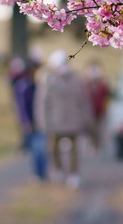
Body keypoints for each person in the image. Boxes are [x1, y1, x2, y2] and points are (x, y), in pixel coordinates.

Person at [35, 50, 93, 188]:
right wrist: (42, 121)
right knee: (53, 148)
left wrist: (86, 119)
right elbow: (42, 103)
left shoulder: (76, 80)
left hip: (74, 120)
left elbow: (84, 101)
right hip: (55, 121)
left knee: (75, 150)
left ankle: (74, 174)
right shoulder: (49, 80)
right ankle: (58, 170)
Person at [8, 57, 47, 181]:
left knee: (41, 148)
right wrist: (26, 121)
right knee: (37, 148)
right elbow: (22, 106)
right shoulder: (24, 86)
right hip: (32, 122)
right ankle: (38, 173)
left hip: (40, 121)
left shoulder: (37, 84)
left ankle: (42, 172)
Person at [85, 61, 112, 153]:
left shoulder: (102, 84)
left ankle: (98, 145)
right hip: (90, 110)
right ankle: (92, 144)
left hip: (100, 109)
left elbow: (108, 94)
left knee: (99, 129)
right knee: (91, 129)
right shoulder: (87, 84)